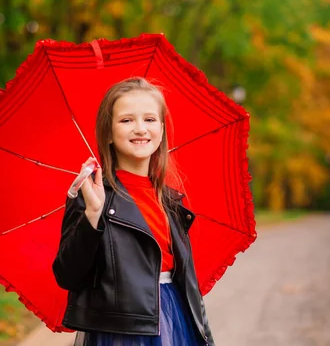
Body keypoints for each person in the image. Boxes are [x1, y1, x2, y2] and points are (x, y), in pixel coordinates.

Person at [52, 77, 215, 346]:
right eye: (126, 120)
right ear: (108, 133)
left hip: (175, 320)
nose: (140, 129)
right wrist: (92, 216)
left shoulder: (171, 203)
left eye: (150, 119)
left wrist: (206, 337)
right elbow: (67, 274)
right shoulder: (93, 195)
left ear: (161, 130)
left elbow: (190, 286)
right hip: (121, 332)